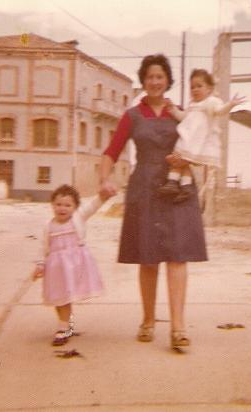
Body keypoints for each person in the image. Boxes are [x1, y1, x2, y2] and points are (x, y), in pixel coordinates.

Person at [98, 54, 208, 349]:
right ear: (143, 81)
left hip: (178, 186)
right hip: (145, 188)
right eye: (150, 77)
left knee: (178, 255)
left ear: (168, 80)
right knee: (148, 257)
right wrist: (104, 179)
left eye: (160, 77)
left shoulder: (183, 113)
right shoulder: (132, 115)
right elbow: (111, 151)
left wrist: (187, 160)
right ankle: (148, 320)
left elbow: (201, 147)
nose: (155, 82)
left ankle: (178, 328)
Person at [32, 184, 107, 346]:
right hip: (57, 269)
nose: (62, 208)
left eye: (67, 205)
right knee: (59, 298)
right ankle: (65, 324)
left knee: (65, 299)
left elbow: (92, 207)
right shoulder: (48, 226)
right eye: (58, 204)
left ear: (75, 207)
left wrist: (102, 196)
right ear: (52, 205)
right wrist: (40, 265)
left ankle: (64, 327)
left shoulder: (77, 218)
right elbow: (43, 247)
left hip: (75, 266)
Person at [157, 68, 245, 202]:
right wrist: (173, 110)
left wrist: (230, 104)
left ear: (209, 89)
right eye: (192, 87)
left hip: (196, 144)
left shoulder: (211, 102)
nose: (195, 90)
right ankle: (185, 186)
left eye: (199, 86)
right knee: (182, 164)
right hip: (187, 141)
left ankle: (172, 182)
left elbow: (220, 111)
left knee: (175, 160)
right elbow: (183, 117)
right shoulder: (192, 105)